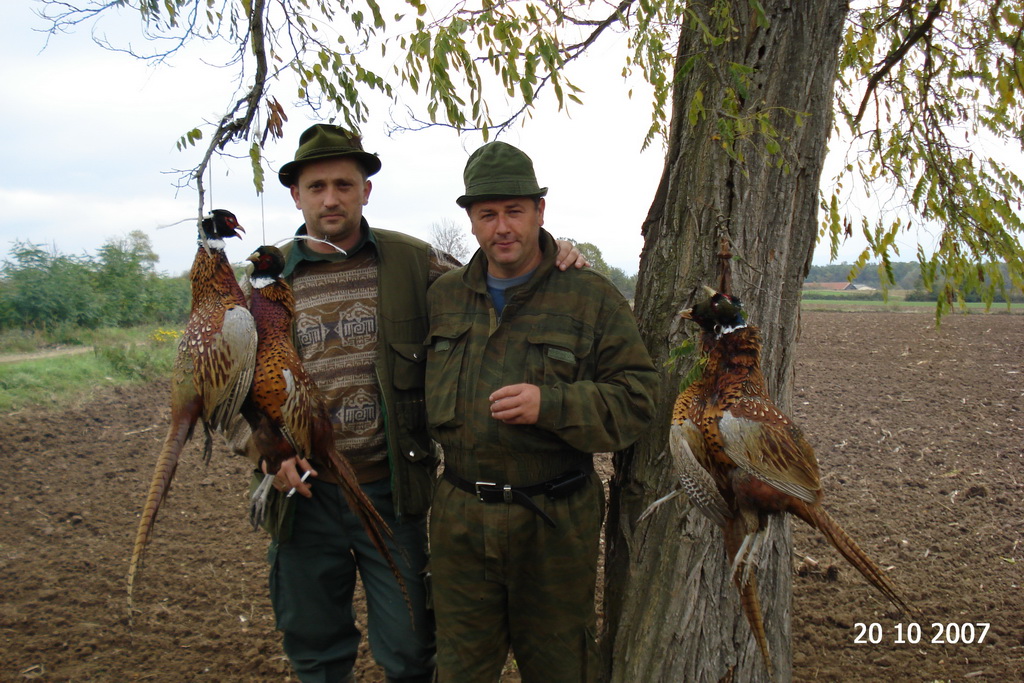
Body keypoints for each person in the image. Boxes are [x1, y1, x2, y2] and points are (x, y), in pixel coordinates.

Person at [241, 124, 586, 683]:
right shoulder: (265, 277)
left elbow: (495, 277)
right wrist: (267, 452)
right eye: (317, 187)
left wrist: (556, 251)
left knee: (409, 650)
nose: (331, 199)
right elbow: (233, 390)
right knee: (315, 650)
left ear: (366, 191)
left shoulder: (412, 262)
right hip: (304, 494)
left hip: (391, 492)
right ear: (295, 196)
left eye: (344, 185)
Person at [424, 141, 660, 682]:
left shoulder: (589, 297)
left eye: (515, 211)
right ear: (471, 220)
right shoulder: (443, 297)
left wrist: (551, 404)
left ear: (540, 211)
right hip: (460, 521)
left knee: (561, 669)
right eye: (487, 214)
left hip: (554, 523)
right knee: (459, 669)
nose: (502, 227)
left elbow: (638, 398)